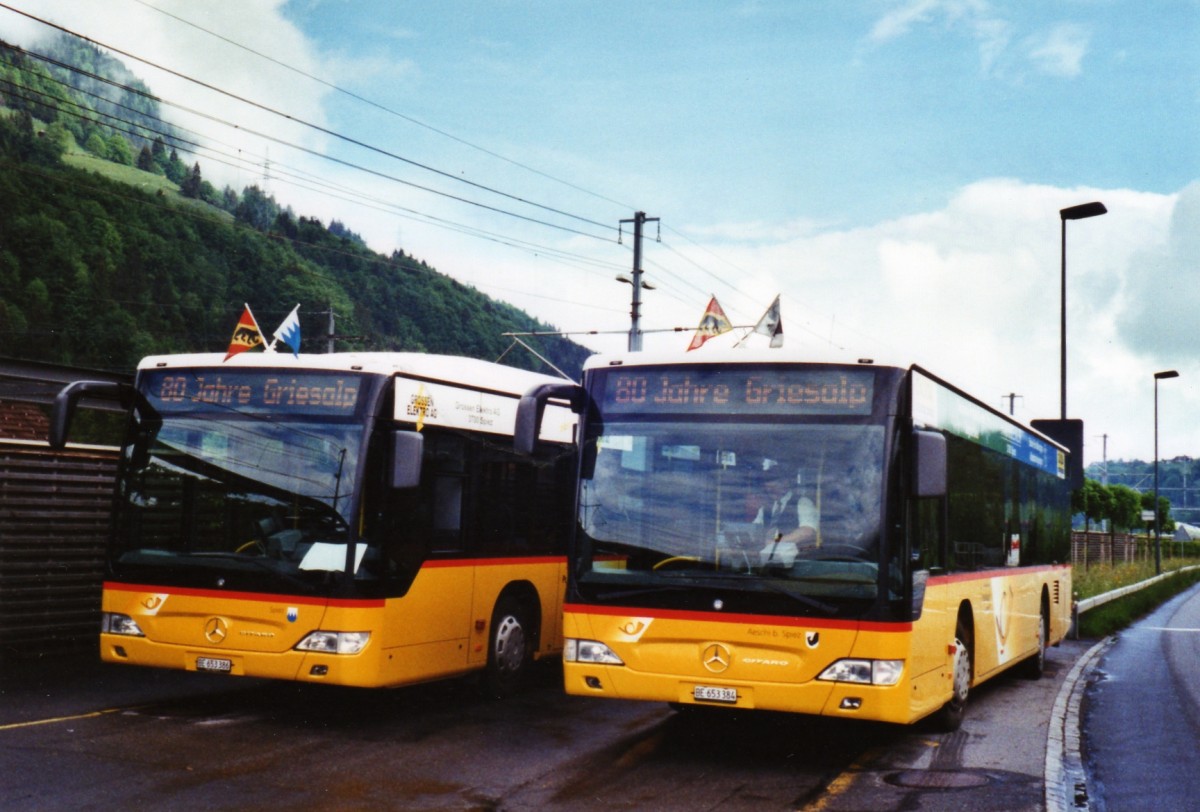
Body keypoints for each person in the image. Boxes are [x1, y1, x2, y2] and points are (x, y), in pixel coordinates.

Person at [753, 465, 818, 567]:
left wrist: (775, 542)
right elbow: (754, 529)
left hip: (793, 562)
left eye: (773, 488)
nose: (769, 491)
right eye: (768, 488)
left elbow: (807, 531)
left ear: (785, 483)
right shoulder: (765, 508)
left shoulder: (802, 503)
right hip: (763, 560)